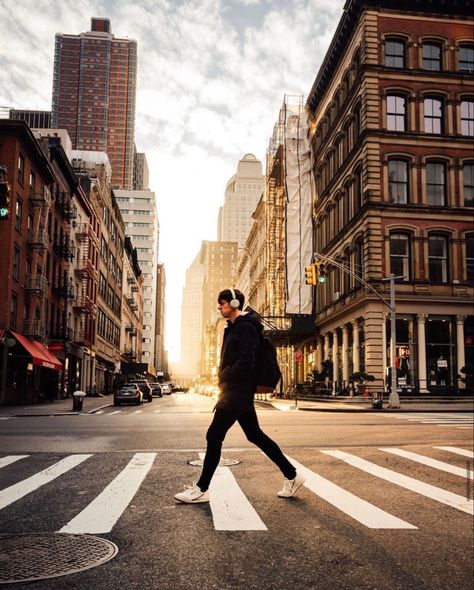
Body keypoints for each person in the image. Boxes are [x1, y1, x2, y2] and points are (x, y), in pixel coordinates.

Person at [175, 288, 305, 504]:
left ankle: (201, 488)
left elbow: (246, 361)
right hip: (236, 390)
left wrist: (225, 375)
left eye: (222, 303)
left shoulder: (246, 328)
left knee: (214, 435)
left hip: (236, 390)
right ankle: (292, 475)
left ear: (234, 304)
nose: (219, 307)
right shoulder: (235, 327)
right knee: (255, 435)